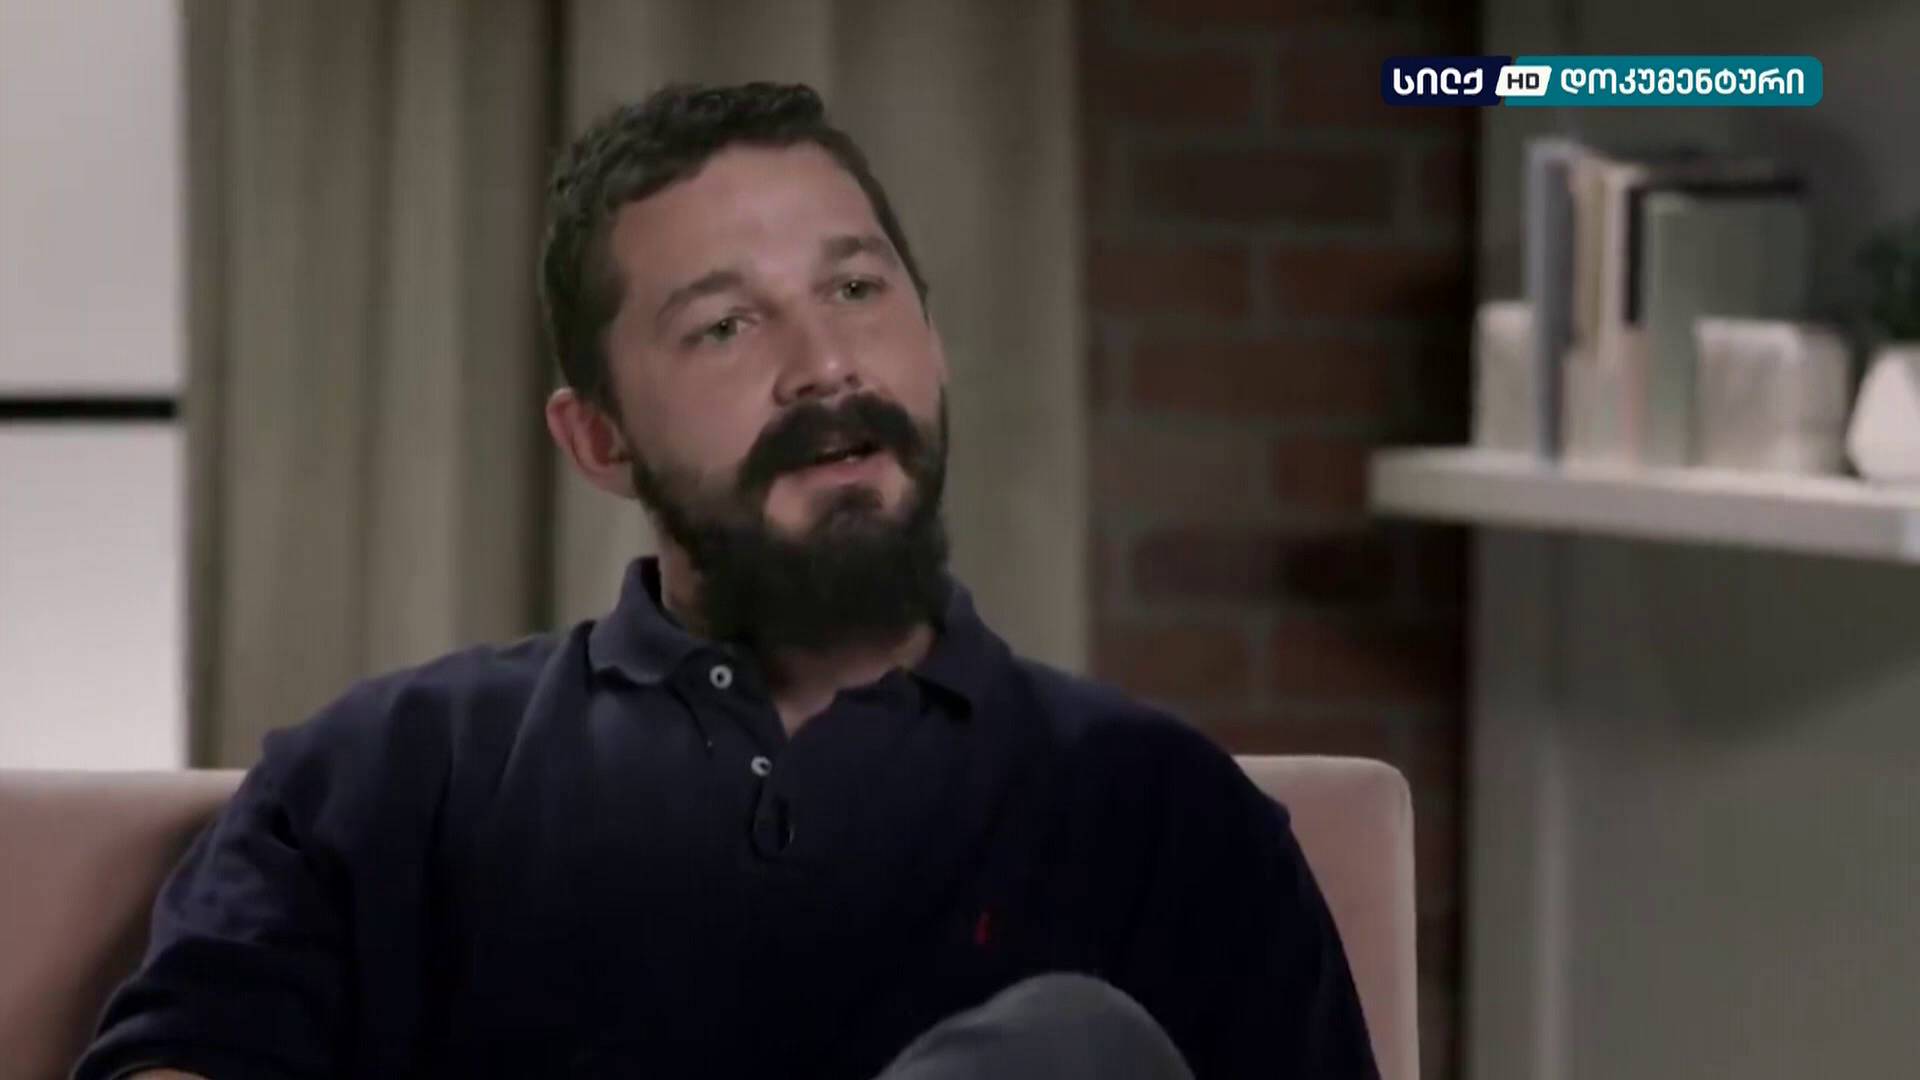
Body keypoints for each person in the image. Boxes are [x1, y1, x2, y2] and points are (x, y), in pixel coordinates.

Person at [74, 82, 1378, 1080]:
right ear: (599, 439)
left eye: (857, 288)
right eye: (725, 325)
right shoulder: (390, 774)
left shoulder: (1164, 814)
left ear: (935, 343)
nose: (825, 364)